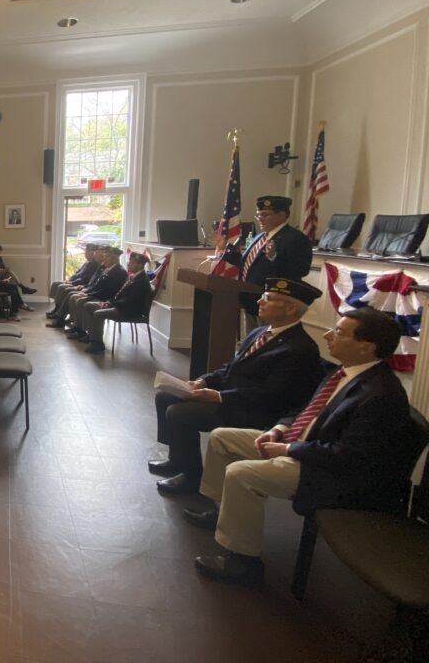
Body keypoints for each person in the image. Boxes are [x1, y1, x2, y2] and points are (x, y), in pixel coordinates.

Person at [185, 308, 423, 587]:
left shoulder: (381, 395)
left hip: (326, 470)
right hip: (301, 443)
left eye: (340, 332)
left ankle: (244, 562)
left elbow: (350, 457)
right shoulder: (343, 372)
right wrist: (279, 430)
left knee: (241, 474)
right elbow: (305, 409)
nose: (328, 334)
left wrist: (289, 450)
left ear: (366, 347)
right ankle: (221, 511)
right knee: (221, 437)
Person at [150, 278, 326, 495]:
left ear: (291, 308)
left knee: (180, 413)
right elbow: (230, 368)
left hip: (253, 410)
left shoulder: (299, 348)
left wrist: (218, 397)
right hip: (233, 398)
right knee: (165, 397)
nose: (260, 301)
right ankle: (177, 459)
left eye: (269, 299)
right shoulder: (260, 333)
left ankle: (192, 478)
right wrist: (203, 381)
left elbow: (271, 396)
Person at [214, 195, 313, 328]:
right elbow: (248, 264)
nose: (260, 218)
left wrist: (274, 258)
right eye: (258, 215)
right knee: (253, 341)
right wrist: (225, 248)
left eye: (265, 215)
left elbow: (301, 270)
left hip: (273, 302)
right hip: (250, 300)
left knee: (266, 340)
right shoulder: (259, 237)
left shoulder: (296, 238)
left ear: (282, 215)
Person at [78, 251, 152, 354]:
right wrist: (109, 302)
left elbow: (130, 301)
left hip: (129, 311)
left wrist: (110, 305)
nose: (128, 264)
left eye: (132, 262)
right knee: (88, 305)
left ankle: (97, 343)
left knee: (99, 313)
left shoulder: (141, 281)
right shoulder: (133, 276)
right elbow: (119, 294)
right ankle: (91, 336)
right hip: (120, 306)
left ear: (140, 266)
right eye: (129, 261)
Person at [49, 247, 126, 329]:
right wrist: (87, 291)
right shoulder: (107, 268)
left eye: (107, 257)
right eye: (104, 256)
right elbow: (95, 285)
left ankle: (78, 329)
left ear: (115, 258)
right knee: (73, 295)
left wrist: (88, 294)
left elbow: (108, 291)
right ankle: (72, 323)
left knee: (78, 299)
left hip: (103, 298)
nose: (104, 259)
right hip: (96, 293)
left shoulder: (119, 272)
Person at [47, 243, 100, 317]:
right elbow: (78, 273)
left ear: (93, 254)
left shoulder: (95, 265)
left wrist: (72, 282)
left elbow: (85, 278)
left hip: (79, 283)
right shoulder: (87, 262)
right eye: (86, 252)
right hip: (74, 281)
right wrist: (70, 278)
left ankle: (59, 311)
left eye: (88, 252)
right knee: (56, 283)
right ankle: (57, 307)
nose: (86, 254)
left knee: (62, 287)